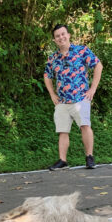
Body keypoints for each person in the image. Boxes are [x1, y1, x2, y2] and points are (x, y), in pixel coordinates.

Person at [44, 24, 103, 170]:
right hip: (62, 101)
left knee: (85, 126)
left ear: (69, 35)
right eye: (57, 36)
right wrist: (52, 94)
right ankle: (62, 161)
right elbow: (47, 76)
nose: (61, 37)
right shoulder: (53, 58)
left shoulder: (81, 50)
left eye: (63, 34)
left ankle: (89, 157)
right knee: (62, 130)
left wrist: (93, 89)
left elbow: (98, 65)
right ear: (54, 40)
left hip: (81, 98)